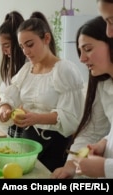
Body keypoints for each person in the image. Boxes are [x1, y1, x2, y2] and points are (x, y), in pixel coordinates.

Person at [0, 11, 84, 172]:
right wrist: (5, 109)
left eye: (30, 45)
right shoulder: (27, 69)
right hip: (27, 141)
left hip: (55, 145)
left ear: (46, 39)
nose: (26, 52)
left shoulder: (64, 70)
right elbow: (8, 96)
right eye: (22, 47)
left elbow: (71, 116)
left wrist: (37, 118)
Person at [51, 19, 113, 178]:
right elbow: (92, 129)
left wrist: (106, 168)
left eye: (88, 49)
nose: (81, 59)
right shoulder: (102, 82)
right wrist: (71, 165)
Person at [0, 11, 26, 138]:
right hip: (11, 120)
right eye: (1, 45)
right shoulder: (11, 63)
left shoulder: (27, 64)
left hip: (24, 123)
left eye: (7, 45)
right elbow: (7, 92)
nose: (3, 51)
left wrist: (2, 105)